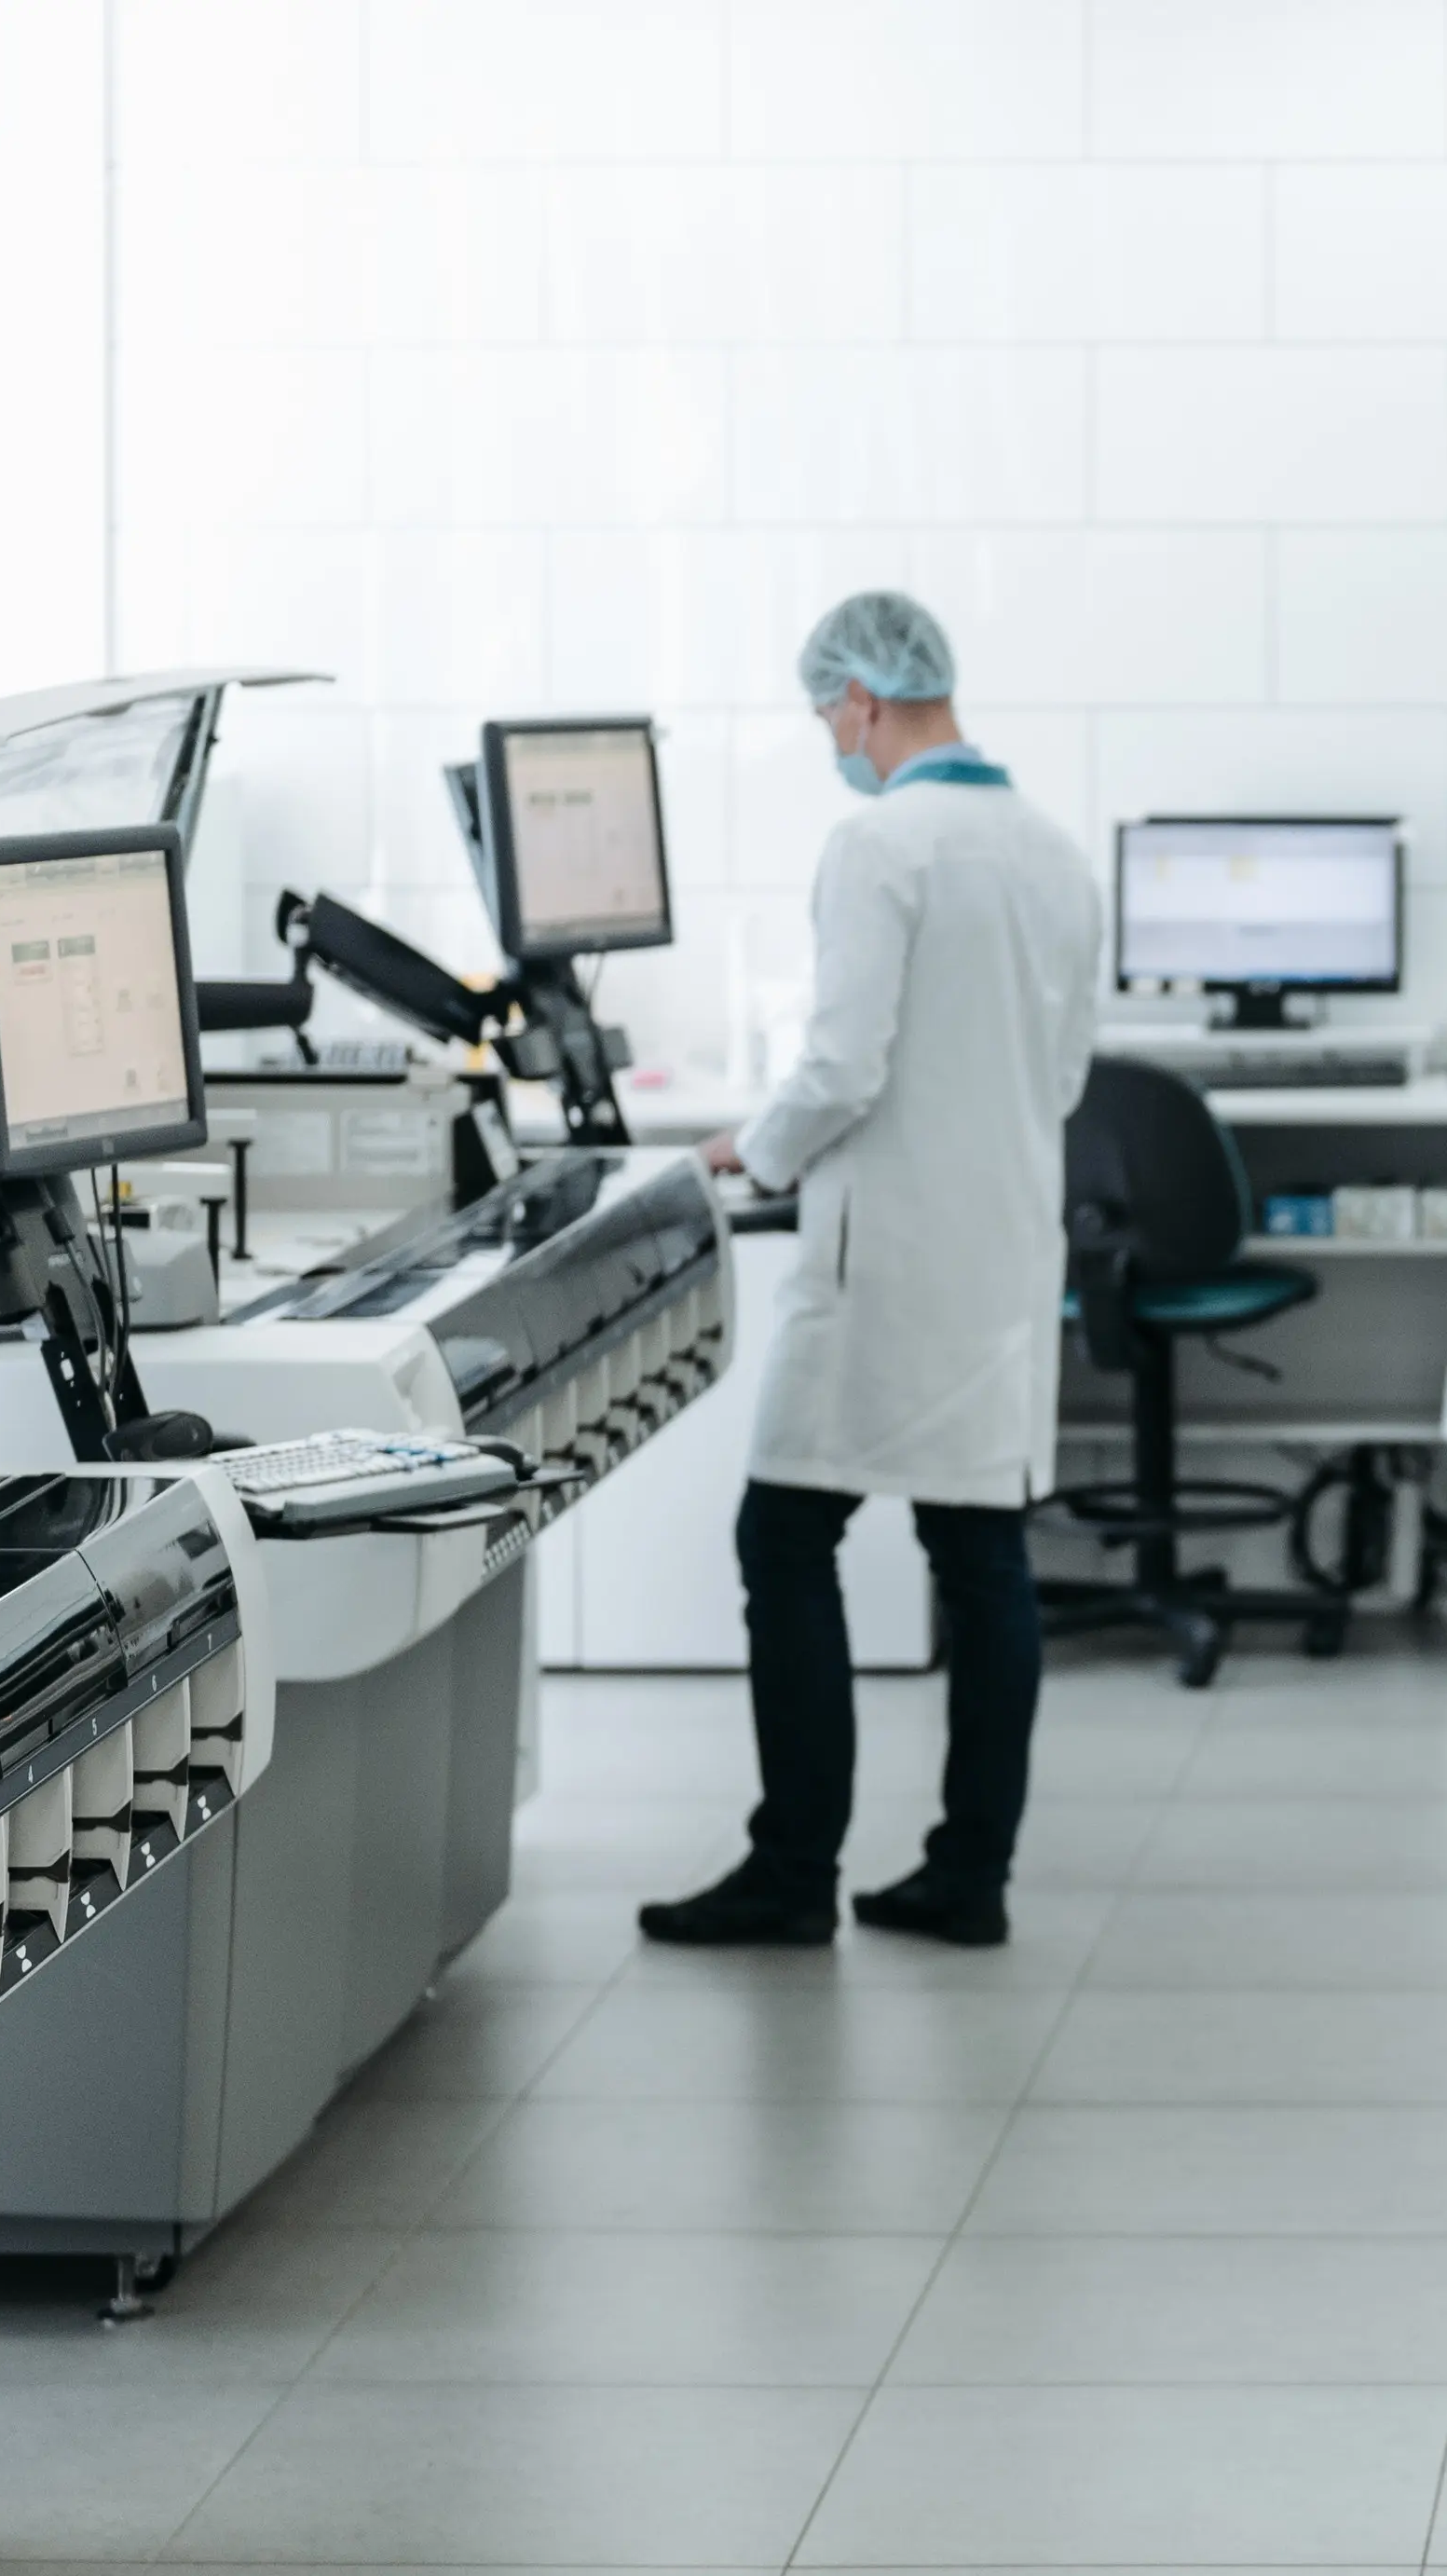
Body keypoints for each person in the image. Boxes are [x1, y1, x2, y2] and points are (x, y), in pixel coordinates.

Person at [643, 588, 1102, 1955]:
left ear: (861, 700)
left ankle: (793, 1869)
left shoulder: (880, 846)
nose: (829, 738)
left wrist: (754, 1151)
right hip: (1003, 1253)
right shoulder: (1053, 852)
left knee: (781, 1540)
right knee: (982, 1556)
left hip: (886, 1259)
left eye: (824, 714)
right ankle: (972, 1873)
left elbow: (841, 1065)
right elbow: (1065, 1071)